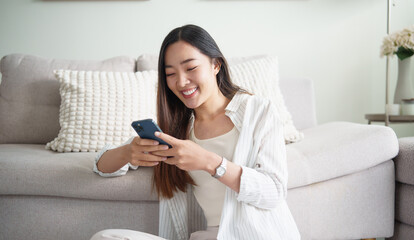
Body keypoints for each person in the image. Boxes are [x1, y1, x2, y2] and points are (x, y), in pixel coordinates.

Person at [90, 24, 301, 240]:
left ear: (216, 64)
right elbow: (101, 165)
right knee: (105, 237)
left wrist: (210, 162)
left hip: (255, 235)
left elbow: (274, 191)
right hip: (208, 236)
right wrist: (128, 152)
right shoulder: (176, 129)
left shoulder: (258, 111)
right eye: (170, 74)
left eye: (190, 68)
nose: (181, 82)